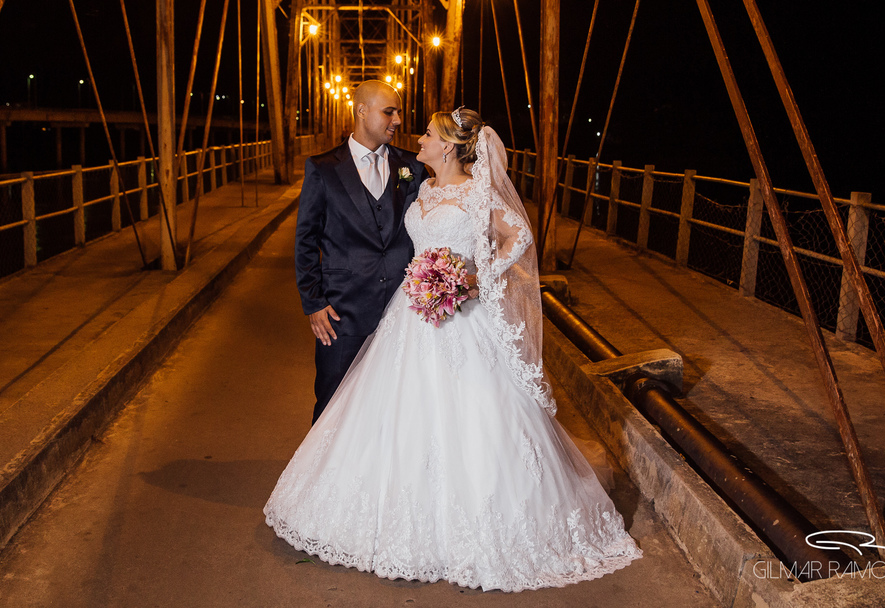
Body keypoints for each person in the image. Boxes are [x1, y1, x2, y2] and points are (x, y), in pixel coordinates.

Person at [266, 108, 642, 592]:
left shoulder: (477, 192)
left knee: (471, 415)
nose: (416, 136)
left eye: (426, 132)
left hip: (460, 316)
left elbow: (519, 236)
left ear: (447, 146)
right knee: (398, 412)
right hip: (410, 313)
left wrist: (471, 276)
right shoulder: (422, 188)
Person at [294, 80, 427, 423]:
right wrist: (314, 302)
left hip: (404, 312)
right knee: (332, 405)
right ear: (361, 111)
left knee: (396, 409)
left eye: (398, 111)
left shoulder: (413, 166)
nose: (397, 119)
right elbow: (306, 240)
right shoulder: (322, 168)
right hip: (342, 312)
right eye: (389, 112)